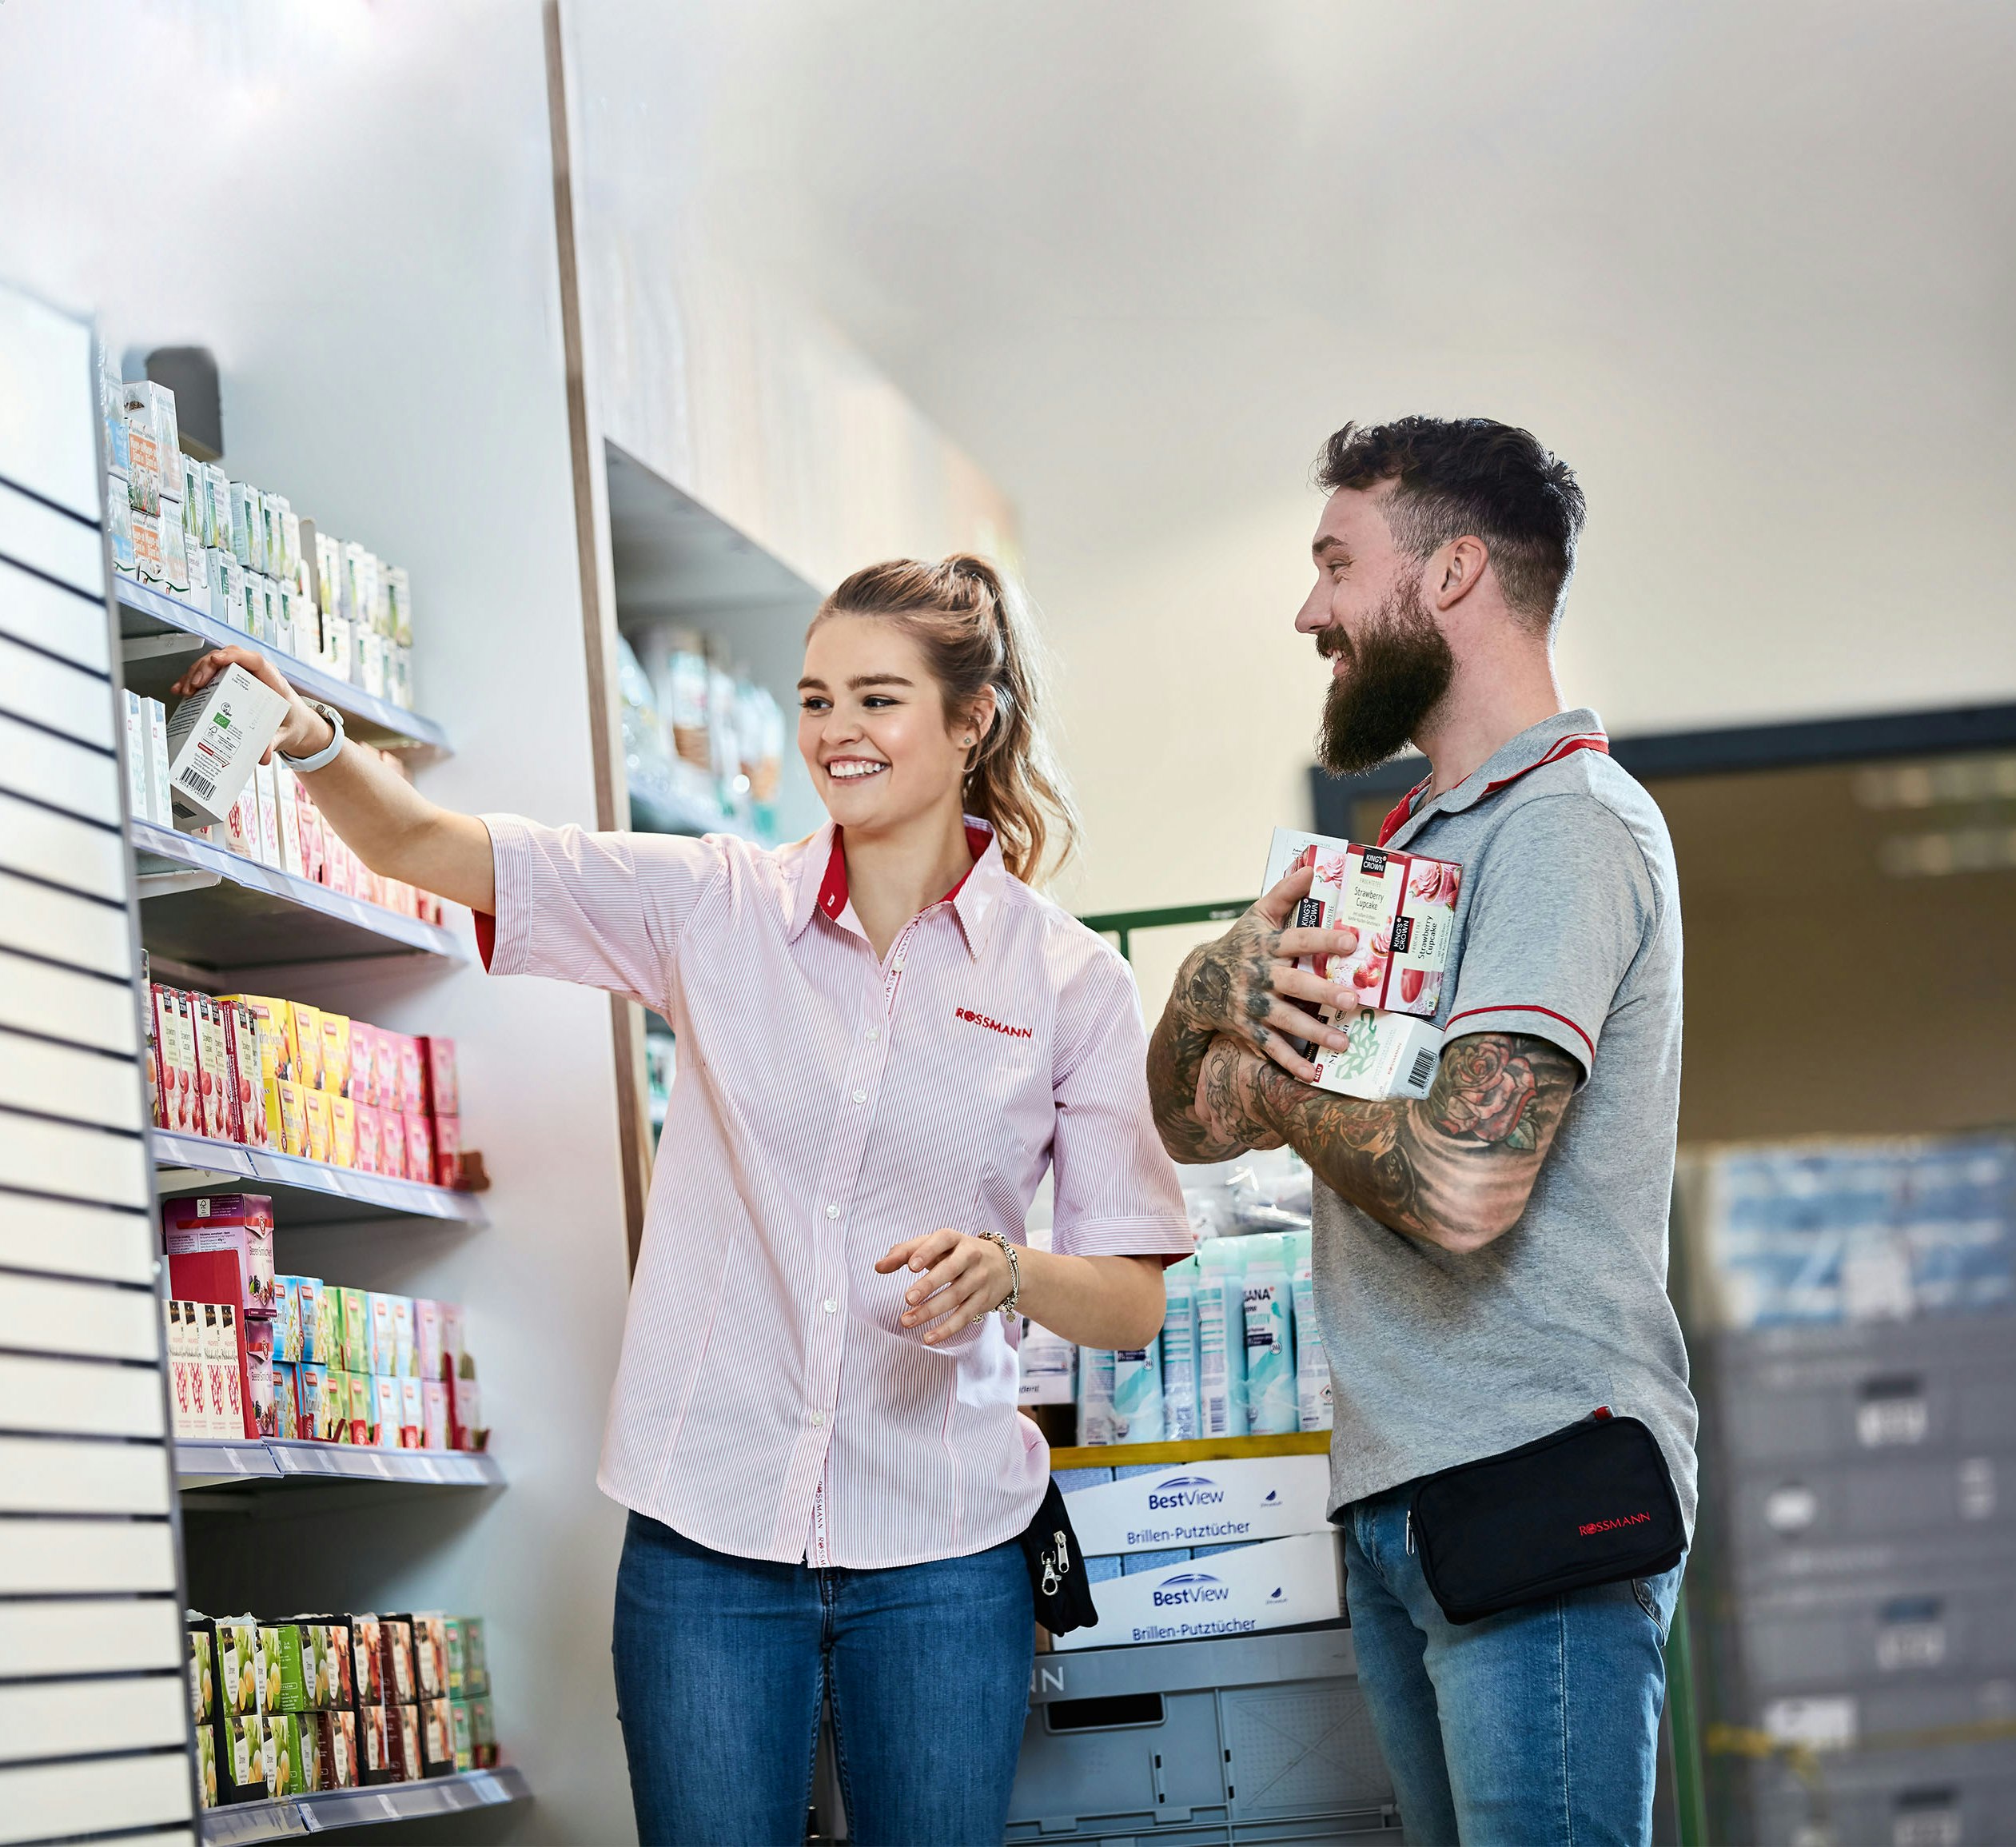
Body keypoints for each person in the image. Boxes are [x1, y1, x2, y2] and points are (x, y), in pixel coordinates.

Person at [175, 554, 1192, 1847]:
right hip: (707, 1536)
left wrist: (1008, 1267)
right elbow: (428, 846)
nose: (836, 734)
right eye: (816, 699)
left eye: (877, 700)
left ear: (971, 719)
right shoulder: (713, 904)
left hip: (943, 1548)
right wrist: (309, 734)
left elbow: (1132, 1299)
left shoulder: (1064, 979)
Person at [1145, 417, 1696, 1847]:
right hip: (1404, 1500)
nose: (1308, 608)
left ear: (1452, 572)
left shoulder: (1565, 831)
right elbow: (1183, 1120)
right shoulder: (1416, 847)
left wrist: (1260, 1079)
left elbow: (1461, 1183)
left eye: (1336, 563)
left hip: (1535, 1484)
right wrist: (1207, 982)